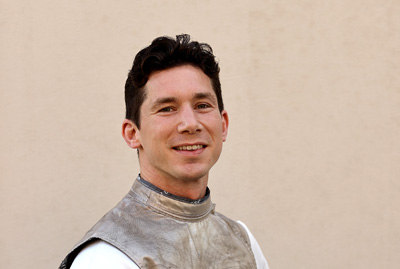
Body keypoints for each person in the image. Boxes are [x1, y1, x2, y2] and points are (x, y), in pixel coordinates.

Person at [59, 34, 269, 269]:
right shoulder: (107, 257)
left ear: (224, 125)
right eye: (167, 108)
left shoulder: (243, 243)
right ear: (132, 133)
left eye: (202, 105)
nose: (190, 124)